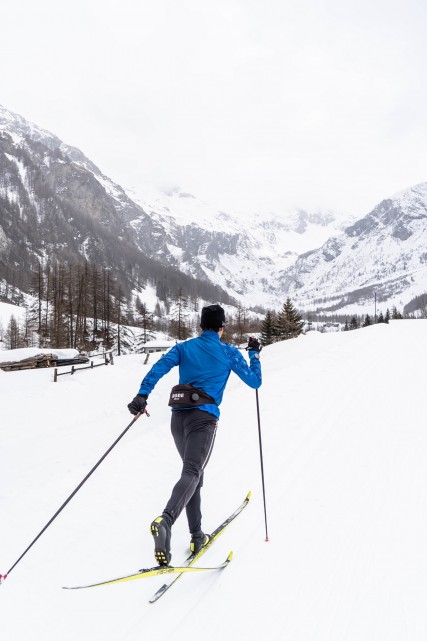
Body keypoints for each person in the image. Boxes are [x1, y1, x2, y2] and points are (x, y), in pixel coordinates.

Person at [127, 303, 262, 566]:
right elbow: (254, 381)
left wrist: (142, 395)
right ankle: (166, 520)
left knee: (193, 475)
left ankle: (197, 536)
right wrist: (254, 355)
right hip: (204, 420)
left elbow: (160, 367)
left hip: (178, 419)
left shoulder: (184, 347)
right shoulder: (228, 352)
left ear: (201, 325)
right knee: (192, 472)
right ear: (221, 327)